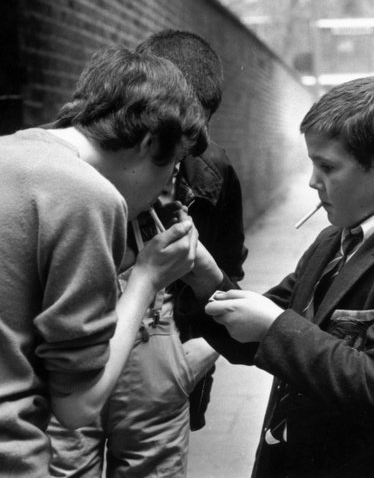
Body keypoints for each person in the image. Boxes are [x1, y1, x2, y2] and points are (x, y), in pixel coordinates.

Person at [0, 48, 208, 477]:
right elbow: (78, 405)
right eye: (175, 165)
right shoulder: (89, 195)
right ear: (148, 143)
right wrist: (147, 277)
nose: (171, 183)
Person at [183, 76, 374, 477]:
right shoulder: (332, 240)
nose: (313, 181)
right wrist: (205, 278)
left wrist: (274, 327)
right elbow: (261, 324)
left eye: (326, 166)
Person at [48, 30, 247, 477]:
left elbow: (229, 270)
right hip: (78, 354)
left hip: (161, 357)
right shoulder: (72, 161)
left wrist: (199, 351)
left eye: (195, 130)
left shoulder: (213, 171)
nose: (182, 148)